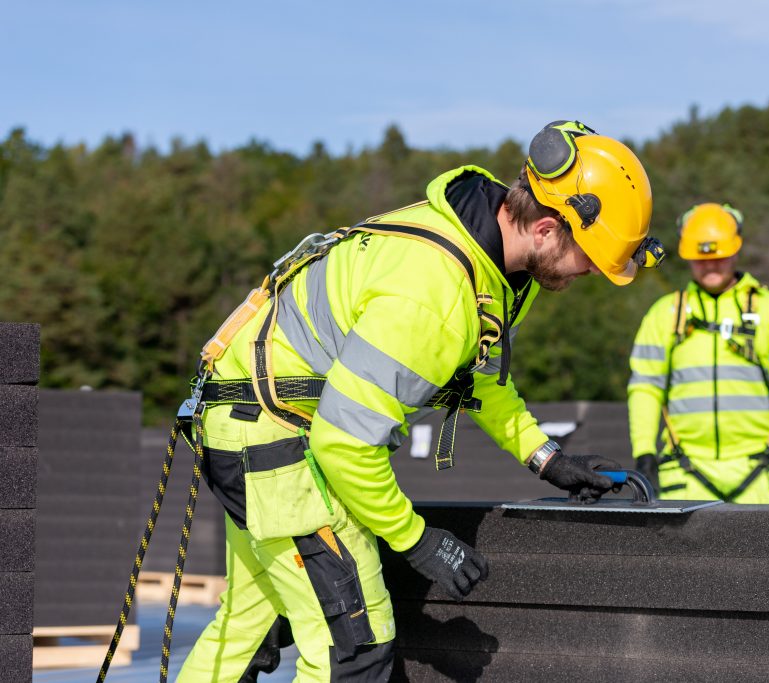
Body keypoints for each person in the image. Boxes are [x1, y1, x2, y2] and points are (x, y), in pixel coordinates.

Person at [177, 120, 663, 681]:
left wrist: (547, 459)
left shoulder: (489, 267)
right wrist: (417, 540)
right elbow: (346, 444)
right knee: (352, 647)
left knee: (250, 618)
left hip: (244, 423)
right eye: (591, 260)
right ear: (550, 228)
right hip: (277, 441)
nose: (591, 275)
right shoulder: (435, 291)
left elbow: (478, 378)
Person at [627, 203, 769, 504]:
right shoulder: (665, 315)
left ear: (736, 251)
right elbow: (645, 390)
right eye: (701, 259)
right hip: (684, 479)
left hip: (759, 478)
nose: (710, 265)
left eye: (719, 257)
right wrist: (644, 453)